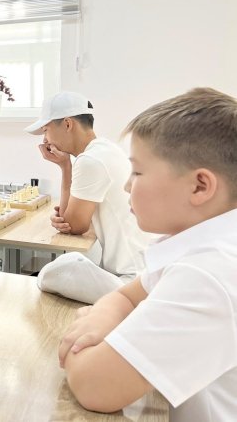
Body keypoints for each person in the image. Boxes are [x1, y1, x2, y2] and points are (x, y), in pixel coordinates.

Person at [59, 87, 237, 420]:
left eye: (138, 172)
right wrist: (105, 316)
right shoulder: (203, 247)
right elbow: (124, 297)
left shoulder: (208, 275)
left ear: (200, 186)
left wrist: (77, 341)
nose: (127, 186)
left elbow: (93, 385)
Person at [24, 91, 151, 304]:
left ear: (67, 124)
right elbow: (69, 220)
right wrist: (65, 167)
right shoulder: (105, 149)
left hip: (129, 281)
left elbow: (74, 226)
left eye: (46, 130)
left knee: (51, 273)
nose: (45, 140)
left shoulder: (91, 160)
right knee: (57, 271)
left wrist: (65, 166)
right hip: (140, 272)